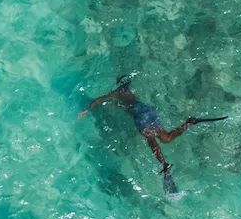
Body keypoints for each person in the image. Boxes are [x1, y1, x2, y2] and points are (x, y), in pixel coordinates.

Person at [78, 75, 226, 195]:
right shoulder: (132, 94)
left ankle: (164, 164)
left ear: (119, 85)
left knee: (151, 139)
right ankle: (189, 123)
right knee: (166, 138)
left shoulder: (117, 93)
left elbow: (98, 100)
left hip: (140, 115)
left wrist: (87, 109)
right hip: (148, 110)